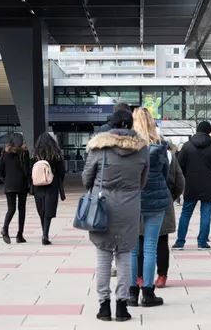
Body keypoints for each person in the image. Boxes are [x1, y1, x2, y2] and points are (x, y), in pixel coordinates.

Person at [83, 110, 149, 322]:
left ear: (111, 125)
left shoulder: (99, 147)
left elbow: (86, 177)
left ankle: (104, 307)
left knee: (103, 257)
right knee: (124, 256)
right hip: (130, 208)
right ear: (131, 125)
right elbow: (143, 181)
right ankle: (122, 306)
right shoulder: (142, 149)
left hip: (102, 207)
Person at [127, 107, 170, 308]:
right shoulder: (161, 146)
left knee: (133, 249)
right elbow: (166, 174)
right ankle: (148, 293)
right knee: (151, 247)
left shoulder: (129, 146)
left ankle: (132, 293)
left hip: (133, 200)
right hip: (156, 200)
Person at [136, 141, 184, 289]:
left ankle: (139, 277)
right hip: (163, 201)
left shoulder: (135, 153)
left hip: (139, 202)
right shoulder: (168, 154)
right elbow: (179, 182)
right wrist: (171, 197)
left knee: (140, 241)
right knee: (162, 241)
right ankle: (162, 276)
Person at [173, 121, 211, 249]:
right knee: (206, 213)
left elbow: (179, 166)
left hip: (191, 184)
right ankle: (202, 242)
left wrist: (186, 179)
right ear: (208, 131)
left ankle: (180, 242)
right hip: (209, 185)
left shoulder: (187, 146)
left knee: (186, 213)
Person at [32, 132, 66, 245]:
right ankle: (45, 235)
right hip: (52, 185)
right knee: (49, 210)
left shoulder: (35, 154)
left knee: (41, 210)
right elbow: (62, 171)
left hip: (38, 185)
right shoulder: (55, 154)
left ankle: (44, 233)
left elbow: (29, 171)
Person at [0, 133, 31, 244]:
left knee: (11, 209)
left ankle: (5, 229)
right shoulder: (24, 153)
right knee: (21, 209)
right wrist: (29, 182)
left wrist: (6, 180)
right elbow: (27, 170)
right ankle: (19, 235)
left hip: (9, 185)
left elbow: (1, 172)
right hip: (21, 184)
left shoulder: (5, 153)